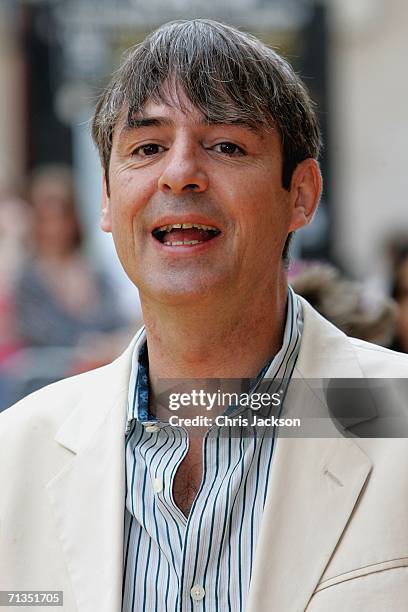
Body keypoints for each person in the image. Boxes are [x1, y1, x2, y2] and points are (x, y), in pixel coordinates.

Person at [1, 19, 408, 612]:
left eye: (226, 146)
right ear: (108, 201)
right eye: (147, 147)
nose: (180, 172)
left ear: (301, 194)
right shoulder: (16, 455)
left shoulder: (394, 414)